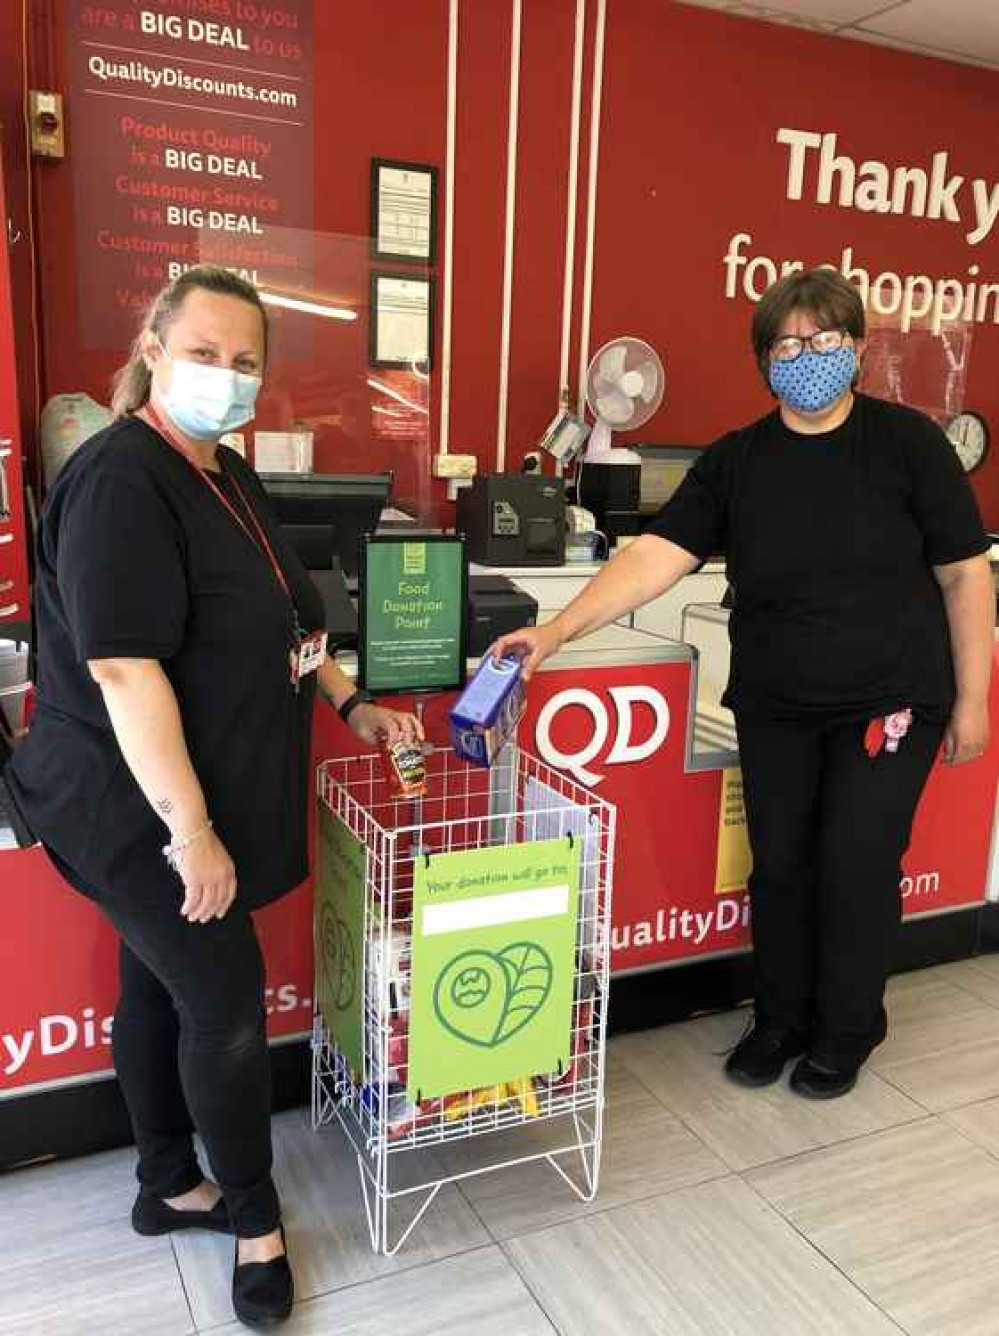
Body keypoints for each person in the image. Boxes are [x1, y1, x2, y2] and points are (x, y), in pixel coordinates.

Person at [1, 266, 420, 1328]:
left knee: (164, 987)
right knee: (225, 1005)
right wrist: (191, 834)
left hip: (186, 795)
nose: (224, 378)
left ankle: (163, 1180)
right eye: (203, 352)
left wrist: (352, 702)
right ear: (153, 347)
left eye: (245, 363)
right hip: (128, 806)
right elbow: (125, 670)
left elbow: (292, 617)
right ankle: (252, 1216)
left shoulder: (227, 473)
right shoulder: (118, 480)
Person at [494, 268, 993, 1101]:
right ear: (764, 359)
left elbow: (963, 576)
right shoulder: (738, 460)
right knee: (781, 866)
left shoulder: (908, 445)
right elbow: (653, 557)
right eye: (787, 343)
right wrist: (552, 631)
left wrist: (973, 701)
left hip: (891, 700)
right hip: (775, 705)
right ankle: (780, 1018)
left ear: (856, 348)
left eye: (823, 340)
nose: (806, 356)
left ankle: (844, 1028)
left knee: (856, 863)